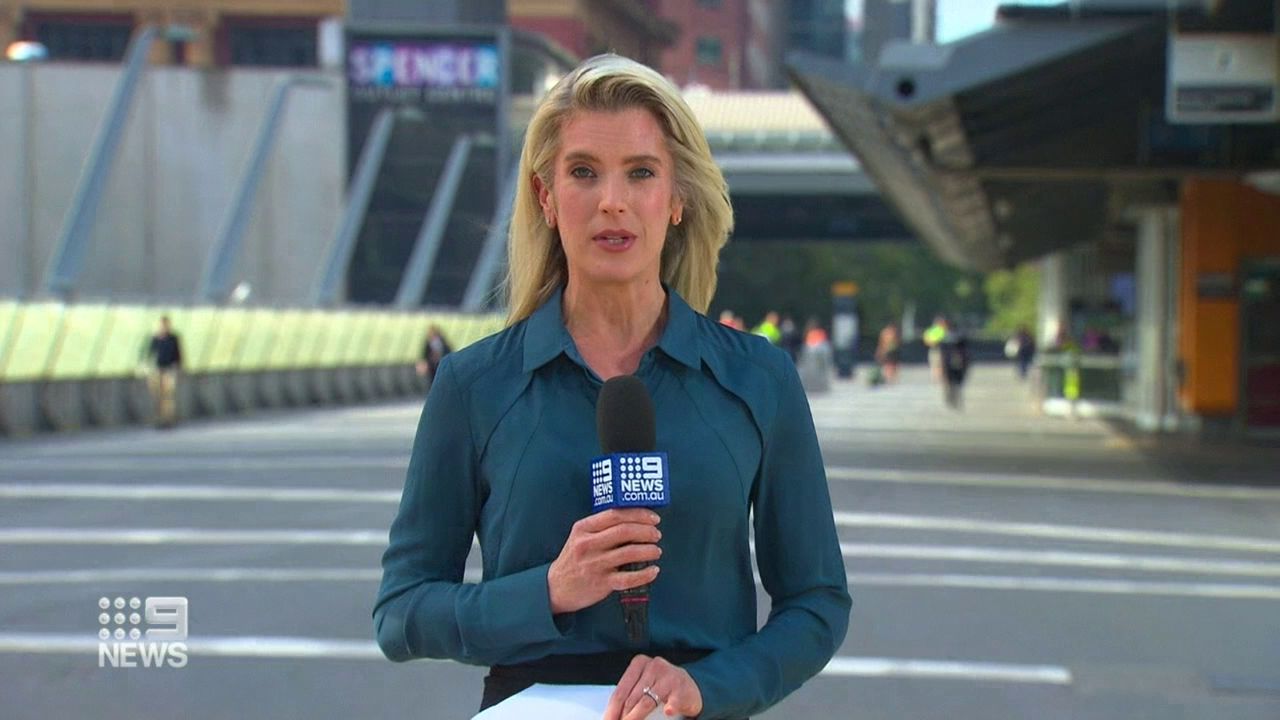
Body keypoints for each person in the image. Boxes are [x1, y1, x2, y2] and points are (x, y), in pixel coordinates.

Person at [373, 54, 850, 720]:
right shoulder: (473, 386)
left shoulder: (758, 379)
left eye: (641, 172)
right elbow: (400, 612)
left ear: (677, 199)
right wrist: (547, 591)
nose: (612, 201)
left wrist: (711, 686)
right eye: (583, 172)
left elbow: (818, 601)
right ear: (546, 198)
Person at [145, 316, 183, 428]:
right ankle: (159, 419)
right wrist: (148, 366)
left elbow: (178, 353)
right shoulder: (156, 338)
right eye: (162, 325)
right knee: (158, 396)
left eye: (166, 324)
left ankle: (168, 419)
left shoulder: (173, 338)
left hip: (169, 369)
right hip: (158, 369)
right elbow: (150, 353)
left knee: (168, 395)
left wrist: (178, 366)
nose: (164, 327)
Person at [939, 323, 970, 410]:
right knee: (955, 382)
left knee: (952, 382)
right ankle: (953, 396)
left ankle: (952, 397)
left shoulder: (945, 338)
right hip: (954, 363)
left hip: (952, 362)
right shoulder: (958, 338)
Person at [922, 315, 947, 382]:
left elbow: (926, 340)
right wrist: (933, 342)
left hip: (940, 349)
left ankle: (938, 377)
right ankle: (938, 377)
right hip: (937, 349)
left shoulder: (942, 330)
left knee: (938, 364)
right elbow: (927, 340)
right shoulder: (939, 330)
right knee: (937, 364)